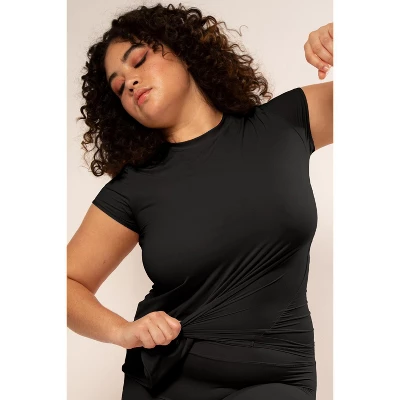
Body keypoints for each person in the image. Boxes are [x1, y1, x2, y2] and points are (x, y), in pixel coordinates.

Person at [67, 3, 333, 399]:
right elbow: (65, 283)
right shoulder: (132, 189)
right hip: (168, 377)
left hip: (277, 375)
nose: (131, 82)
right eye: (119, 87)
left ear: (184, 52)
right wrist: (122, 331)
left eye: (139, 61)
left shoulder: (286, 122)